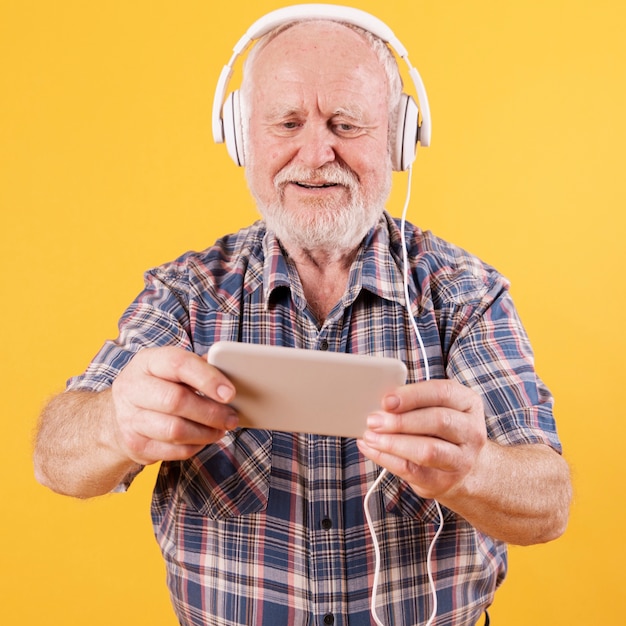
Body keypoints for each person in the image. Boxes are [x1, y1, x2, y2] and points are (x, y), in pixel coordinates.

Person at [34, 5, 571, 626]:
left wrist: (474, 469)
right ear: (241, 135)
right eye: (287, 123)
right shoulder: (188, 293)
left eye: (346, 123)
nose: (317, 153)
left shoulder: (463, 294)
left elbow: (548, 504)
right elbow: (55, 458)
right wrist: (114, 423)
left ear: (399, 137)